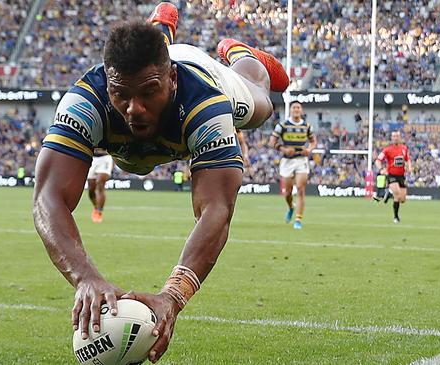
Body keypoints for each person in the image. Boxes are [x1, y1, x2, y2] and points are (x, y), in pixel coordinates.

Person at [32, 3, 288, 363]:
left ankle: (241, 52)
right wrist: (85, 278)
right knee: (138, 83)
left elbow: (216, 209)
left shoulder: (206, 104)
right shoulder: (84, 101)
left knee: (261, 101)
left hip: (208, 71)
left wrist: (173, 296)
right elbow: (47, 197)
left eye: (148, 93)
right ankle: (160, 28)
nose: (134, 108)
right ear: (108, 83)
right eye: (121, 94)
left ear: (171, 80)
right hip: (155, 73)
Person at [268, 101, 316, 229]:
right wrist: (283, 149)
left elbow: (313, 141)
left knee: (300, 189)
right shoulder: (282, 125)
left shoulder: (307, 126)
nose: (296, 109)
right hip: (287, 160)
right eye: (294, 107)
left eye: (298, 107)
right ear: (290, 110)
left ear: (301, 110)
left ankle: (298, 220)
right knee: (288, 192)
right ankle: (290, 207)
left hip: (301, 160)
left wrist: (309, 150)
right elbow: (271, 142)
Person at [375, 130, 411, 223]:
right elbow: (378, 160)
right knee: (397, 193)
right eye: (394, 136)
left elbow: (407, 159)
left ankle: (389, 194)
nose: (395, 138)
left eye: (397, 136)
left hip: (401, 176)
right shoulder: (387, 149)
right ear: (391, 138)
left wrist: (409, 167)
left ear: (400, 137)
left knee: (402, 199)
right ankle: (396, 217)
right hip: (391, 175)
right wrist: (381, 169)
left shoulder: (404, 148)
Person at [87, 148, 113, 223]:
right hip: (92, 158)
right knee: (91, 189)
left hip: (105, 157)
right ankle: (96, 207)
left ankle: (99, 211)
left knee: (100, 183)